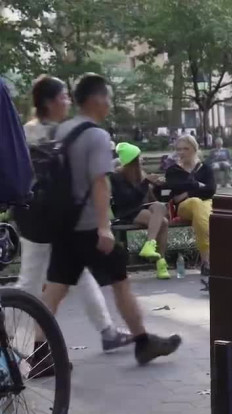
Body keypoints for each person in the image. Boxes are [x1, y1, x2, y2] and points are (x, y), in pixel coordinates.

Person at [41, 74, 181, 368]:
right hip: (90, 227)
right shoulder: (96, 135)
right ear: (96, 99)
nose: (109, 104)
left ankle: (39, 354)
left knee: (54, 288)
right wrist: (104, 227)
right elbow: (100, 183)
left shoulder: (60, 130)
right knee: (121, 282)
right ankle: (143, 342)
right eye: (108, 98)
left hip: (63, 224)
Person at [17, 75, 133, 352]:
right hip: (42, 216)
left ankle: (106, 330)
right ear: (51, 101)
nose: (68, 102)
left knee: (78, 274)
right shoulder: (37, 132)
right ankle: (22, 347)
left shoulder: (50, 130)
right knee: (30, 281)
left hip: (54, 216)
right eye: (64, 97)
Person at [110, 142, 170, 279]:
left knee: (160, 208)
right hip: (127, 212)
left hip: (142, 208)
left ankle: (150, 245)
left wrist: (157, 185)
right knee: (164, 223)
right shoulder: (117, 177)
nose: (141, 161)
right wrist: (145, 182)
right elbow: (128, 199)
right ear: (131, 161)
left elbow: (149, 199)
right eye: (138, 158)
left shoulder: (140, 174)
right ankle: (161, 263)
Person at [164, 134, 214, 273]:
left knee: (201, 206)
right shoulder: (173, 171)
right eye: (178, 149)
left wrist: (187, 193)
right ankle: (207, 260)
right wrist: (198, 186)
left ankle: (206, 262)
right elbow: (175, 187)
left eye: (185, 149)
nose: (181, 152)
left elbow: (210, 190)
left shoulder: (205, 168)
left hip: (205, 204)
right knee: (197, 203)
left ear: (194, 149)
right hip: (185, 207)